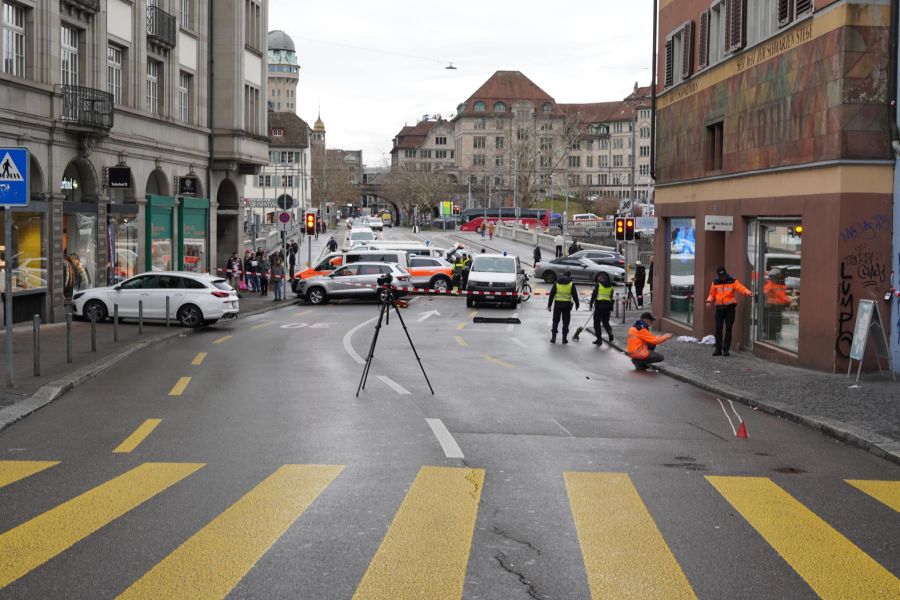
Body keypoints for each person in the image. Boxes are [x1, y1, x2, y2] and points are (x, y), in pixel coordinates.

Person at [706, 266, 752, 356]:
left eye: (724, 275)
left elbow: (740, 287)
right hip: (719, 308)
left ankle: (726, 349)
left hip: (730, 308)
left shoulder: (732, 281)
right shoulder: (715, 282)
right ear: (718, 275)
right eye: (721, 276)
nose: (723, 277)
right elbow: (712, 294)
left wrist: (747, 292)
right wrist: (708, 301)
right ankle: (718, 349)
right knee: (718, 329)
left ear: (726, 274)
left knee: (728, 328)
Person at [547, 270, 579, 344]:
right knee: (566, 322)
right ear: (569, 276)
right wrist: (577, 304)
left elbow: (551, 294)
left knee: (555, 321)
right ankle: (564, 339)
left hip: (557, 305)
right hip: (567, 306)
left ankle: (553, 338)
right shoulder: (571, 284)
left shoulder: (557, 283)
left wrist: (549, 305)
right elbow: (575, 295)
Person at [589, 272, 615, 346]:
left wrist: (591, 304)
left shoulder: (598, 285)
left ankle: (599, 339)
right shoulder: (610, 287)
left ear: (601, 279)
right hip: (607, 307)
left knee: (597, 323)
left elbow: (594, 295)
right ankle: (610, 333)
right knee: (605, 322)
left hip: (599, 306)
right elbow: (611, 297)